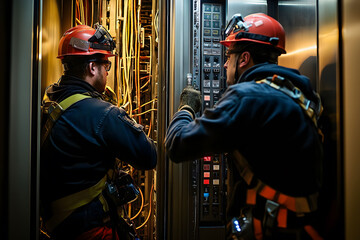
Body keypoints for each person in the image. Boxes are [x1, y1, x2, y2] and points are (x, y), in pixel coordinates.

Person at [165, 13, 323, 240]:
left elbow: (177, 144)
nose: (225, 63)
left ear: (244, 59)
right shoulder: (303, 99)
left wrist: (186, 108)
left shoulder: (247, 98)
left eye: (229, 55)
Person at [40, 24, 157, 240]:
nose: (107, 72)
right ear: (92, 67)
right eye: (106, 65)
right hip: (93, 231)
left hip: (59, 228)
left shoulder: (53, 100)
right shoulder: (103, 114)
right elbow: (149, 156)